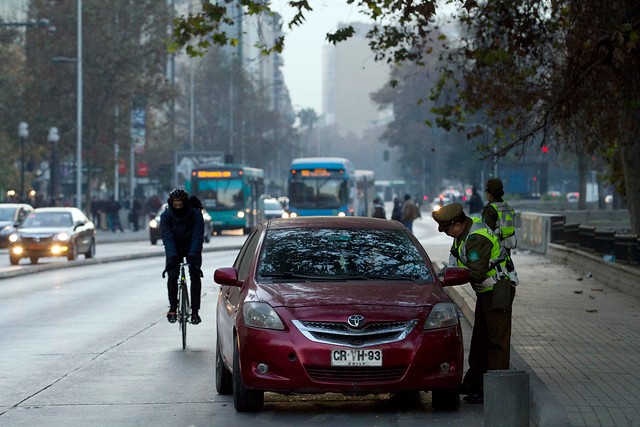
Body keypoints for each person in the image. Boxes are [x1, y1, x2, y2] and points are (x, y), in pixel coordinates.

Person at [432, 203, 515, 404]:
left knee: (496, 341)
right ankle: (474, 382)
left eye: (447, 229)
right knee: (480, 339)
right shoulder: (463, 235)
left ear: (458, 224)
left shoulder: (477, 238)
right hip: (486, 293)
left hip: (497, 291)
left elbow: (475, 273)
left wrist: (446, 281)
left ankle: (494, 389)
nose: (446, 234)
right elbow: (456, 264)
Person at [161, 188, 205, 325]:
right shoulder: (166, 216)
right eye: (175, 204)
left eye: (180, 204)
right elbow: (167, 237)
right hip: (174, 246)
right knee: (172, 275)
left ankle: (195, 311)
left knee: (194, 274)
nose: (178, 207)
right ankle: (173, 307)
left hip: (191, 244)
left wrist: (193, 255)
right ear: (171, 203)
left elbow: (198, 236)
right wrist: (172, 256)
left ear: (185, 203)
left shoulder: (195, 214)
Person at [482, 178, 518, 283]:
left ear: (489, 195)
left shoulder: (490, 209)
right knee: (505, 273)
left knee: (494, 277)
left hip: (494, 249)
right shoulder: (508, 207)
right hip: (507, 247)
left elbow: (485, 231)